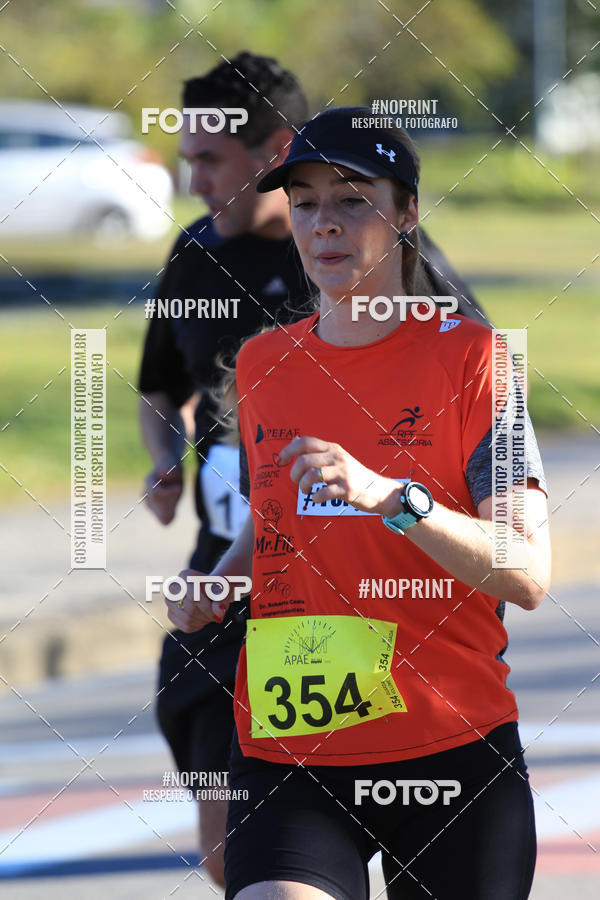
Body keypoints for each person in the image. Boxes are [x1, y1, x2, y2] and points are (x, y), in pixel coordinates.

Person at [168, 106, 551, 900]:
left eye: (352, 200)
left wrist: (391, 498)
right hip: (293, 743)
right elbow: (280, 517)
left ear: (406, 214)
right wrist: (221, 582)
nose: (325, 225)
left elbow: (526, 571)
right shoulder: (264, 363)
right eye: (305, 203)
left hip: (448, 744)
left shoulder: (479, 362)